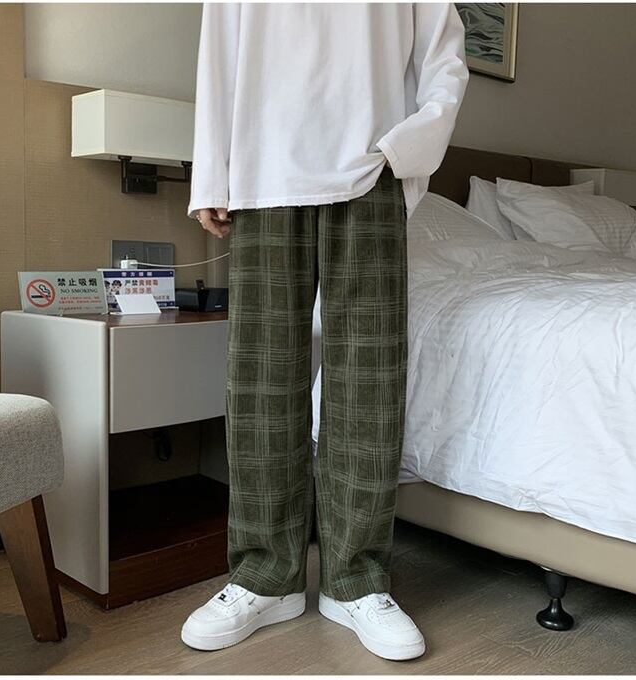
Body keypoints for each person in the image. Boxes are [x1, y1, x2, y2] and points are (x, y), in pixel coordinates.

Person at [182, 2, 468, 661]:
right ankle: (264, 577)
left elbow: (444, 55)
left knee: (369, 384)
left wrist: (406, 148)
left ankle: (357, 580)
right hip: (261, 171)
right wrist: (211, 174)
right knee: (261, 383)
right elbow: (219, 49)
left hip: (370, 172)